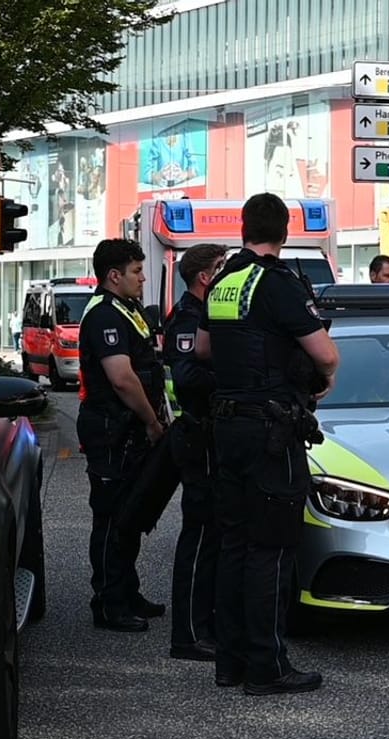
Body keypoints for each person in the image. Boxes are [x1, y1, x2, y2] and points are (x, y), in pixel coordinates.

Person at [195, 192, 340, 696]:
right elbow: (325, 354)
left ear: (242, 228)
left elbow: (205, 347)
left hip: (228, 425)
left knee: (233, 544)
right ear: (283, 231)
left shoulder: (224, 283)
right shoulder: (277, 283)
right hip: (269, 430)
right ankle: (268, 667)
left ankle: (230, 662)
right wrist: (321, 379)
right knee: (271, 549)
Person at [77, 238, 168, 633]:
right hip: (112, 431)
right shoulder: (104, 315)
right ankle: (110, 602)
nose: (142, 277)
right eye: (135, 271)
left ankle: (127, 591)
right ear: (114, 275)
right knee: (112, 518)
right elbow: (122, 379)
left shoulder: (126, 311)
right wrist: (151, 421)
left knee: (130, 516)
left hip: (126, 432)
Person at [163, 243, 228, 662]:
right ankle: (187, 634)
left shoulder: (205, 314)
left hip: (212, 436)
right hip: (199, 434)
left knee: (214, 535)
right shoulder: (189, 316)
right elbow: (187, 376)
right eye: (221, 268)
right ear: (206, 277)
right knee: (200, 533)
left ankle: (206, 622)